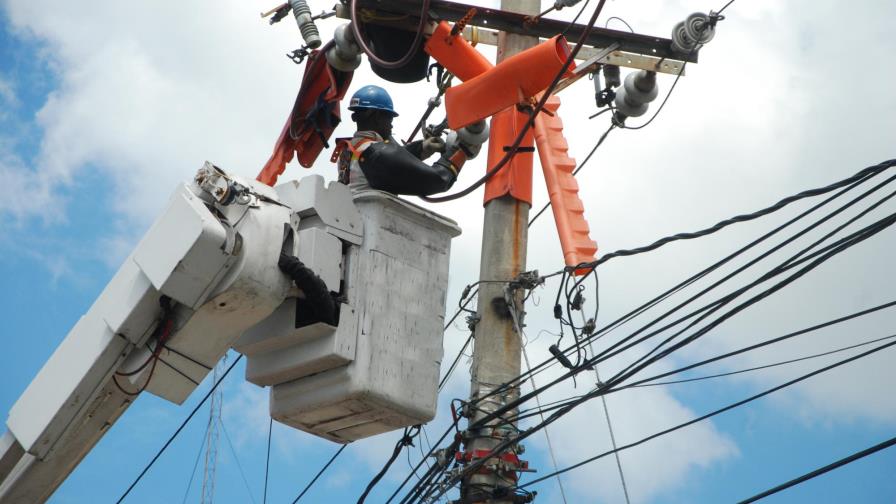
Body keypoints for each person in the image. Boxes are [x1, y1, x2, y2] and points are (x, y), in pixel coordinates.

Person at [336, 85, 479, 195]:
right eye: (389, 118)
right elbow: (438, 180)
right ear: (376, 116)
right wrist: (461, 150)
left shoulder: (352, 150)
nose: (391, 125)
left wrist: (422, 148)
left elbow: (394, 160)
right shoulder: (375, 154)